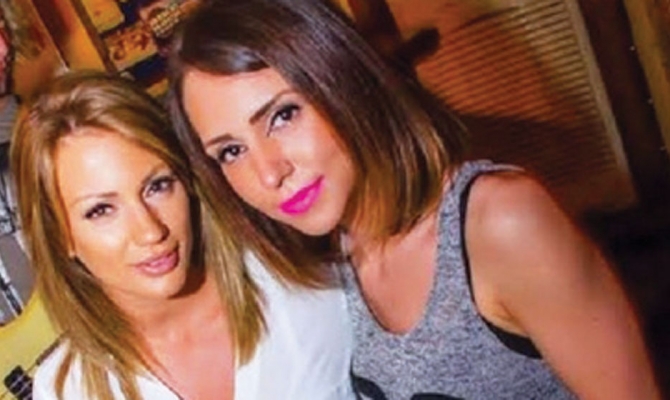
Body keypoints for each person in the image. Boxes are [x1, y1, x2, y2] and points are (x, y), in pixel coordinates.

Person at [167, 0, 661, 399]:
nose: (268, 172)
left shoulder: (498, 222)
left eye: (283, 116)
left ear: (342, 80)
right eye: (230, 151)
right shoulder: (333, 259)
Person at [11, 70, 354, 400]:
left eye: (158, 186)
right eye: (101, 210)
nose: (150, 231)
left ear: (187, 182)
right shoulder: (66, 391)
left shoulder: (305, 282)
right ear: (60, 237)